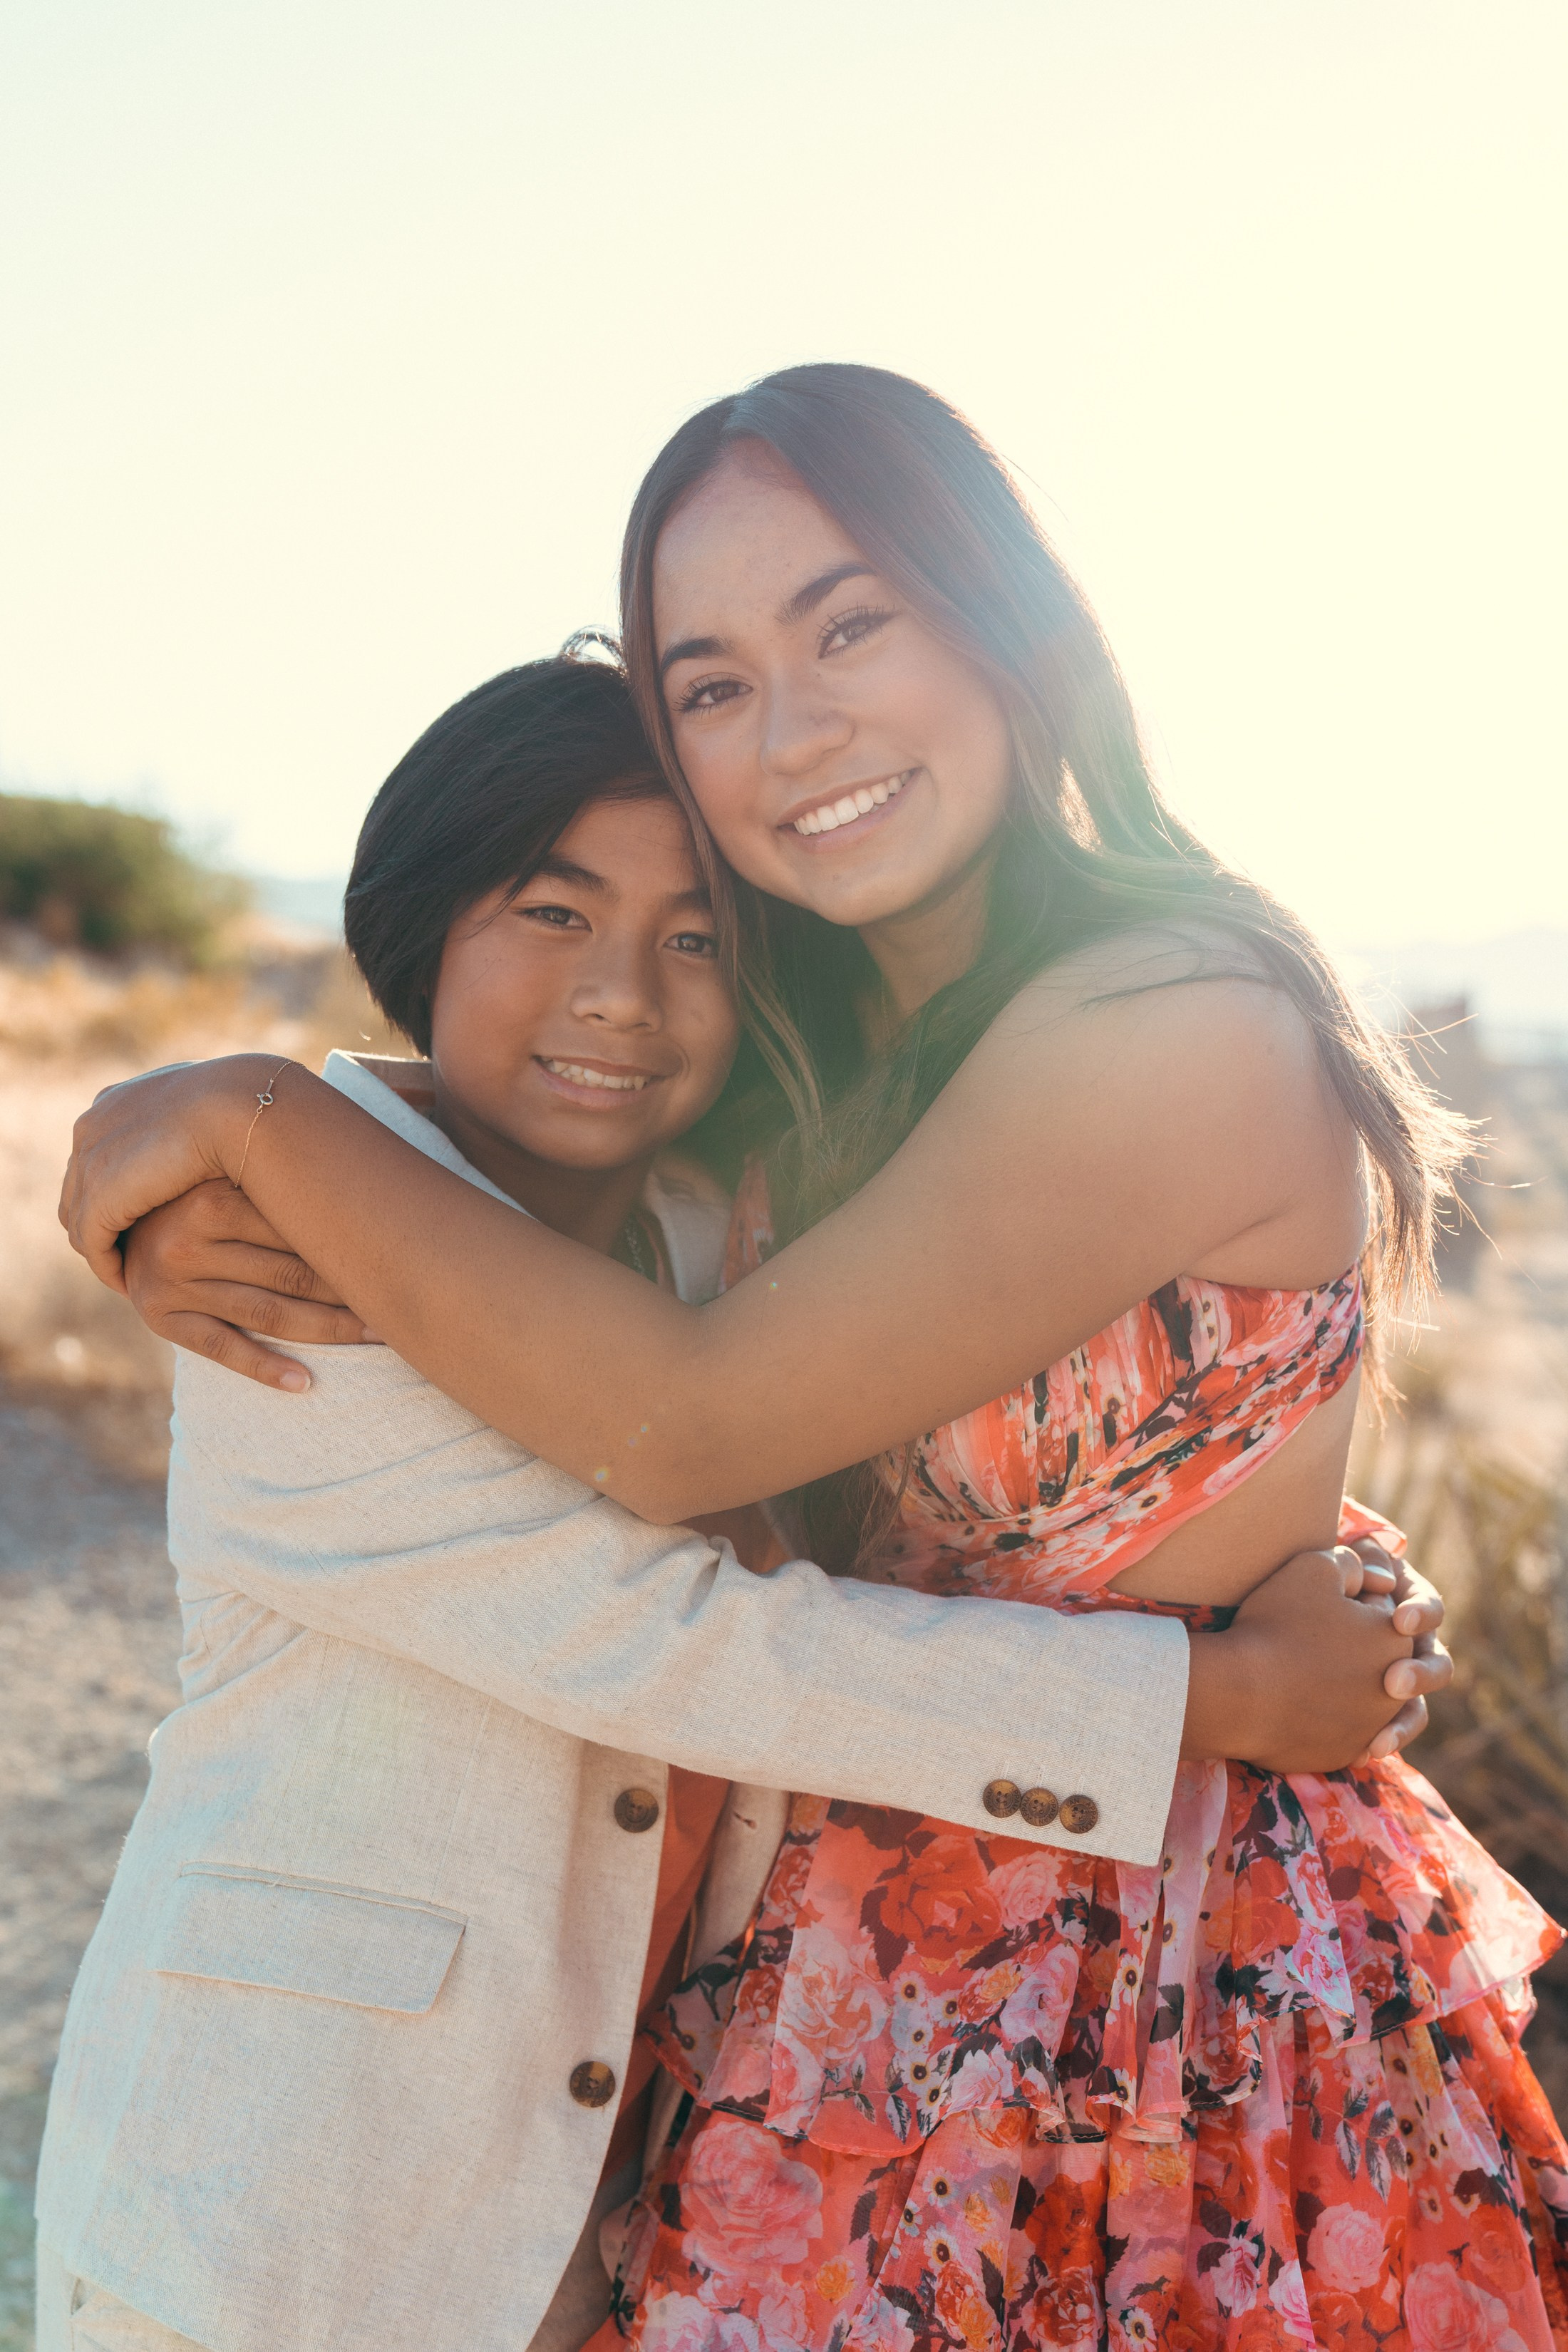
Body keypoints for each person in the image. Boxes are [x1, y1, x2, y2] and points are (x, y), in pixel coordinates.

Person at [55, 370, 1486, 2347]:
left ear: (1008, 615)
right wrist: (201, 1148)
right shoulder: (833, 1081)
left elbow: (687, 1422)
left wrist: (248, 1115)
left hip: (1132, 1990)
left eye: (851, 621)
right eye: (710, 681)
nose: (793, 724)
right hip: (823, 1988)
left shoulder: (1167, 1015)